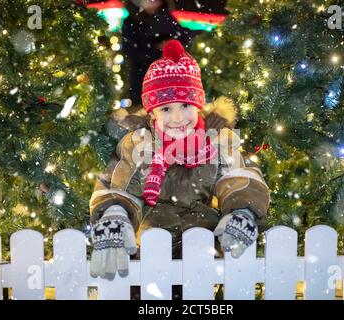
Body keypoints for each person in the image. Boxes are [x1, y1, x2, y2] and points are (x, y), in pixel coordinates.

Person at [89, 40, 270, 280]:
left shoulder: (216, 140)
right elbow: (118, 182)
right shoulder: (141, 143)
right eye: (165, 109)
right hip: (150, 245)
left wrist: (243, 210)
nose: (177, 117)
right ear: (152, 112)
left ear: (198, 105)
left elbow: (241, 176)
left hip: (201, 242)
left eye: (185, 105)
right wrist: (116, 212)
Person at [121, 0, 202, 110]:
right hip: (143, 78)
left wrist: (172, 43)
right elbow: (130, 51)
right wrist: (157, 51)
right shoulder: (131, 22)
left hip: (169, 81)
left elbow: (182, 35)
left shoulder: (165, 16)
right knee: (143, 115)